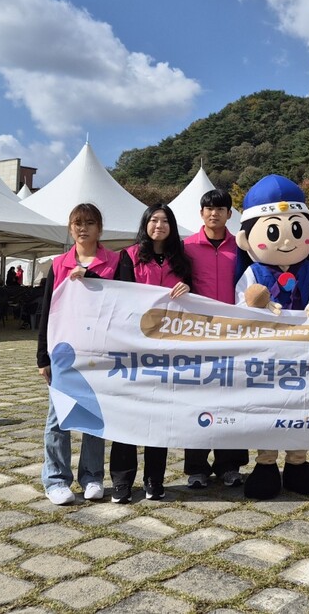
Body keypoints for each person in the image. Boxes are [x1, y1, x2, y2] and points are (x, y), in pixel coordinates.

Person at [235, 174, 309, 500]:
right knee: (269, 405)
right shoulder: (253, 273)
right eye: (273, 230)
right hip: (265, 353)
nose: (287, 240)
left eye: (295, 229)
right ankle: (265, 462)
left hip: (304, 352)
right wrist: (257, 302)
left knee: (301, 404)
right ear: (247, 240)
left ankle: (297, 463)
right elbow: (241, 304)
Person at [111, 203, 192, 503]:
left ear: (172, 226)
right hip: (134, 347)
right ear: (145, 224)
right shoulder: (129, 256)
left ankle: (154, 480)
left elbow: (192, 296)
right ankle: (121, 481)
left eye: (165, 221)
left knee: (159, 416)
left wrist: (187, 287)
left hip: (168, 348)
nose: (159, 225)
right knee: (128, 414)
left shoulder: (181, 260)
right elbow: (121, 295)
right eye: (153, 220)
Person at [36, 203, 111, 505]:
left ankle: (92, 476)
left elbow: (123, 302)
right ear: (70, 228)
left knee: (95, 415)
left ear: (99, 228)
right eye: (77, 223)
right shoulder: (58, 265)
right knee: (58, 417)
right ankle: (56, 479)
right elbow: (47, 312)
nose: (83, 228)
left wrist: (91, 276)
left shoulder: (115, 262)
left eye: (90, 223)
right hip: (63, 352)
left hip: (99, 351)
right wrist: (42, 355)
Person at [181, 188, 248, 490]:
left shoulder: (242, 248)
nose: (214, 213)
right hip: (199, 335)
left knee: (232, 401)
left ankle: (229, 465)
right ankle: (196, 467)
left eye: (220, 208)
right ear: (201, 213)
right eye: (208, 208)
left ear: (229, 214)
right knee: (198, 400)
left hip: (234, 335)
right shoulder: (186, 248)